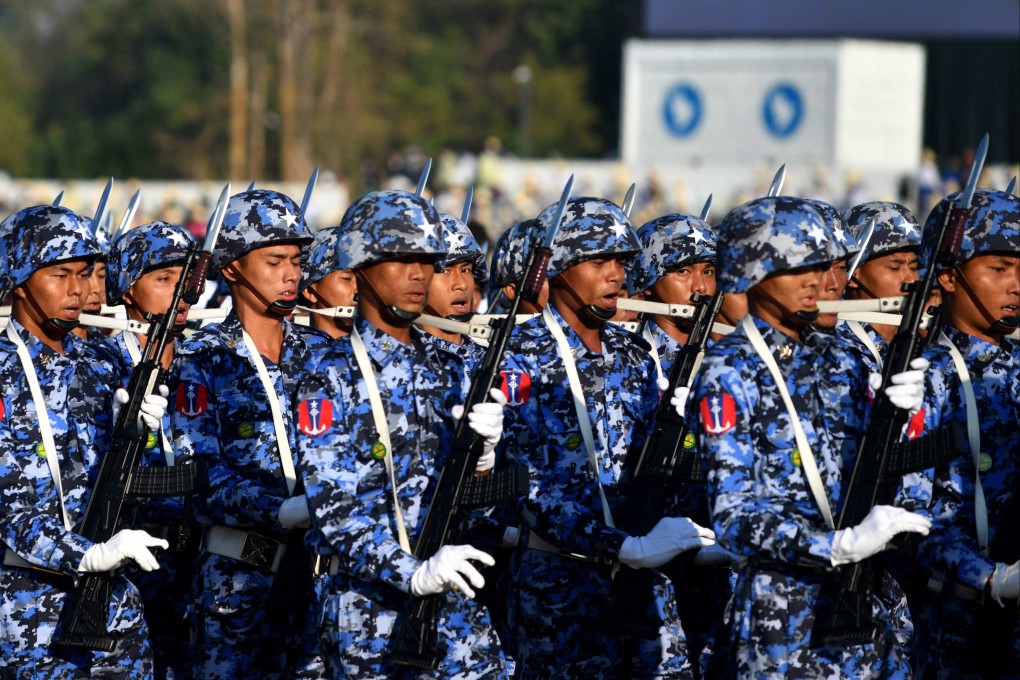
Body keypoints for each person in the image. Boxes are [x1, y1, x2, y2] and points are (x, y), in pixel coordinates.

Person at [691, 196, 931, 677]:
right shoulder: (729, 368)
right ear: (753, 271)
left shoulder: (841, 359)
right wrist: (837, 545)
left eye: (824, 265)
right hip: (783, 621)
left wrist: (904, 421)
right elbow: (735, 518)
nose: (821, 281)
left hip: (864, 604)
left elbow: (873, 472)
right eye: (801, 266)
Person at [294, 189, 510, 679]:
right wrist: (411, 573)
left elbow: (483, 510)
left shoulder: (454, 369)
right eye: (400, 259)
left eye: (426, 260)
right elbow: (333, 508)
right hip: (371, 616)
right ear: (360, 266)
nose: (419, 274)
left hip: (457, 605)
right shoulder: (327, 373)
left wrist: (487, 459)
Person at [498, 196, 714, 678]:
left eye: (620, 262)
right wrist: (618, 544)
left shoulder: (635, 355)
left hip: (646, 581)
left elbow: (658, 472)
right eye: (599, 261)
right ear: (558, 269)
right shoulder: (519, 358)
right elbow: (529, 487)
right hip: (562, 586)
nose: (616, 274)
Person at [0, 205, 168, 678]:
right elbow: (9, 507)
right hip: (33, 609)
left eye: (85, 273)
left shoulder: (103, 362)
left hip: (118, 603)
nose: (78, 289)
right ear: (18, 278)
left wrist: (144, 439)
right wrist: (86, 554)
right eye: (59, 274)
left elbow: (134, 482)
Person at [171, 189, 329, 678]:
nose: (291, 275)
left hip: (317, 580)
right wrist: (278, 509)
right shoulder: (202, 359)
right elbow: (198, 472)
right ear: (234, 267)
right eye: (275, 260)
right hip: (237, 582)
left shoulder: (323, 354)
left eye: (297, 262)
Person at [911, 189, 1019, 678]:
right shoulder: (921, 379)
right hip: (956, 626)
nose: (1016, 284)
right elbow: (909, 518)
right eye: (998, 269)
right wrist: (991, 577)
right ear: (950, 276)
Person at [106, 220, 199, 679]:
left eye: (184, 281)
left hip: (196, 566)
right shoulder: (103, 365)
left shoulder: (204, 363)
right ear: (127, 289)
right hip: (129, 565)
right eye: (163, 280)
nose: (178, 294)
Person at [841, 202, 924, 365]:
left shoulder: (926, 346)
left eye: (914, 267)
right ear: (854, 271)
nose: (911, 279)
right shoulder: (833, 350)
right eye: (894, 267)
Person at [300, 225, 359, 339]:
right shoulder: (293, 353)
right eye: (347, 278)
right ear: (309, 291)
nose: (360, 291)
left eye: (363, 280)